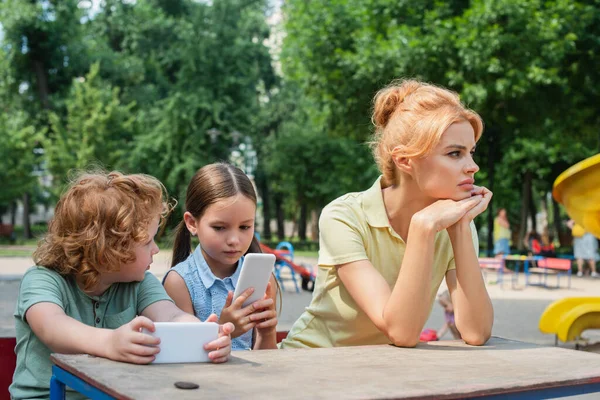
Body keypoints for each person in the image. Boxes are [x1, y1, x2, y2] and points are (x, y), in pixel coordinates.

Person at [280, 79, 493, 349]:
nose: (472, 167)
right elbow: (401, 332)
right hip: (310, 366)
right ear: (404, 160)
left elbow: (476, 332)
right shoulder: (344, 216)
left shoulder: (452, 222)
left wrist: (461, 226)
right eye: (455, 154)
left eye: (471, 153)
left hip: (382, 373)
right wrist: (423, 227)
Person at [10, 171, 234, 400]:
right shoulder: (42, 279)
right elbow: (53, 328)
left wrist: (203, 335)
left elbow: (171, 315)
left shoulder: (139, 282)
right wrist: (109, 342)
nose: (156, 249)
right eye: (148, 242)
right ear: (107, 250)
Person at [163, 163, 278, 350]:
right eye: (219, 227)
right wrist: (223, 331)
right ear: (192, 223)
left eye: (245, 227)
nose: (234, 240)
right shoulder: (180, 282)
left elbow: (266, 360)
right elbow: (181, 357)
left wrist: (267, 333)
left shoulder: (263, 278)